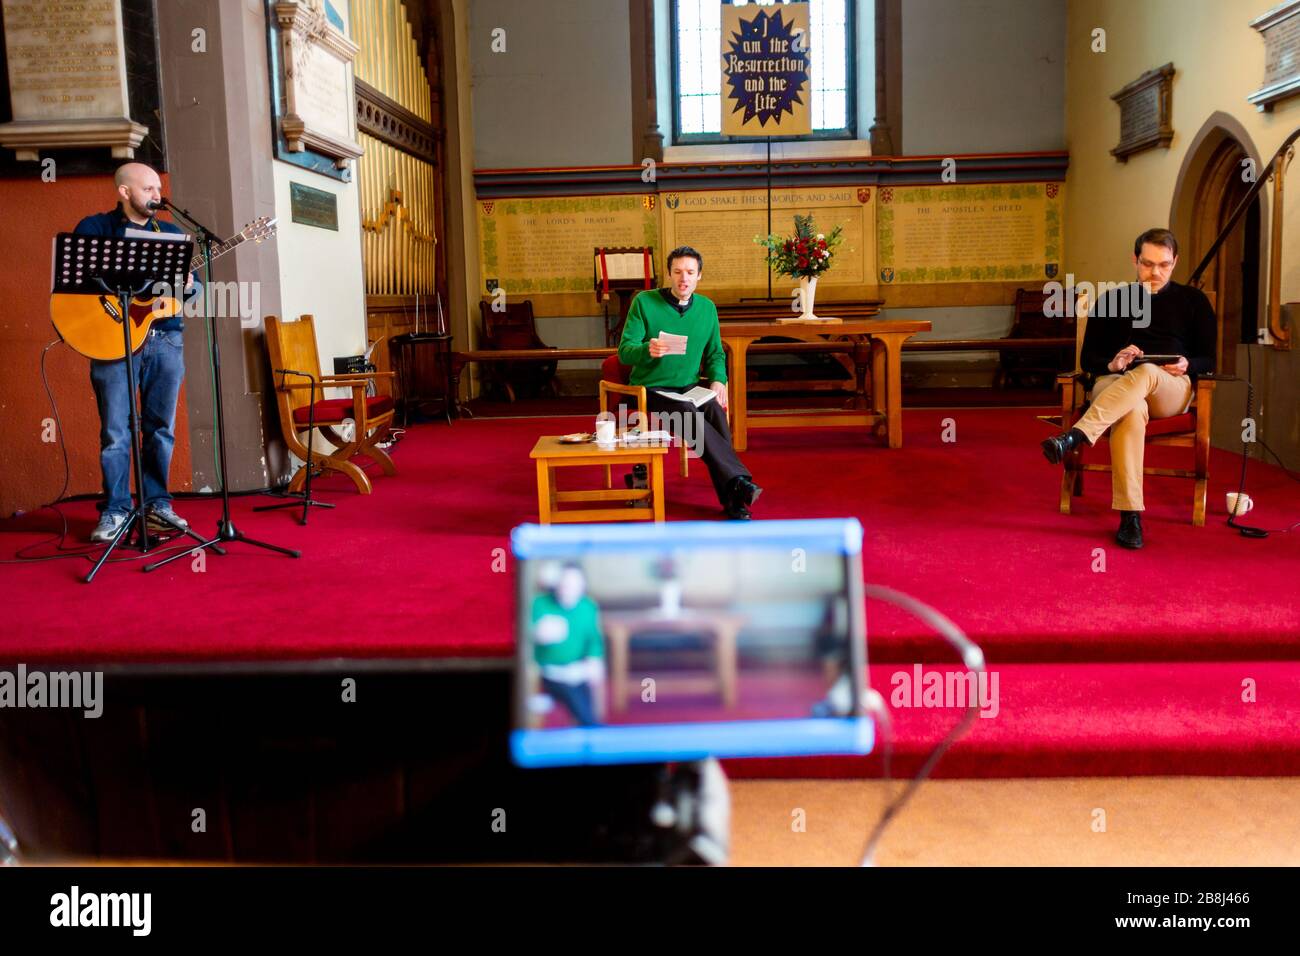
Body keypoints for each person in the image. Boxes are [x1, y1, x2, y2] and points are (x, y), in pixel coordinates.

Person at [1041, 228, 1216, 549]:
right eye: (1147, 264)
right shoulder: (1113, 300)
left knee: (1147, 370)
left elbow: (1210, 358)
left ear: (1175, 262)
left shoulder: (1193, 301)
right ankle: (1130, 516)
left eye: (1164, 265)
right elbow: (1089, 359)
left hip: (1170, 385)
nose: (1155, 272)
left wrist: (1187, 365)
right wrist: (1113, 364)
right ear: (1135, 260)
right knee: (1131, 410)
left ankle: (1076, 436)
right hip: (1117, 382)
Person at [77, 163, 196, 543]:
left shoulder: (174, 233)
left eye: (157, 188)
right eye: (147, 189)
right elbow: (77, 281)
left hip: (165, 338)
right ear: (125, 192)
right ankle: (115, 510)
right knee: (115, 432)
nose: (156, 196)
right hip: (113, 339)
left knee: (160, 429)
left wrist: (190, 285)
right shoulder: (95, 228)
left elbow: (189, 294)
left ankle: (157, 504)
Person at [616, 246, 762, 520]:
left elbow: (715, 353)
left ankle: (733, 497)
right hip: (651, 387)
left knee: (716, 412)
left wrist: (719, 380)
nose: (684, 278)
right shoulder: (644, 302)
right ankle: (739, 486)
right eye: (678, 272)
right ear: (669, 275)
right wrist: (647, 348)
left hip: (689, 386)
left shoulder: (706, 308)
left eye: (690, 272)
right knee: (686, 414)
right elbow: (624, 351)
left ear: (699, 276)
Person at [531, 564, 605, 727]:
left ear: (582, 587)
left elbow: (594, 640)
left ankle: (589, 725)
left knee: (581, 688)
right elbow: (525, 636)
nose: (568, 589)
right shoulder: (540, 604)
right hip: (547, 673)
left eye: (573, 585)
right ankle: (591, 726)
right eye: (564, 584)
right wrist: (536, 633)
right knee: (571, 690)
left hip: (578, 669)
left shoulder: (588, 607)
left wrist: (595, 659)